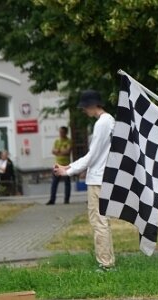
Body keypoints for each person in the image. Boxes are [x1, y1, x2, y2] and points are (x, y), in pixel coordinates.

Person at [53, 90, 115, 271]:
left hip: (98, 178)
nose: (83, 111)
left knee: (99, 222)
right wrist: (70, 168)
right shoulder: (109, 121)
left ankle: (106, 264)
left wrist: (68, 170)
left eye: (84, 107)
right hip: (104, 176)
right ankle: (107, 261)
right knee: (103, 221)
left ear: (92, 105)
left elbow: (93, 155)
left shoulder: (102, 123)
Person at [47, 126, 72, 205]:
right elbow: (53, 151)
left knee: (67, 183)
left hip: (66, 165)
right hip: (57, 165)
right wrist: (60, 151)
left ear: (65, 133)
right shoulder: (57, 141)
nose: (61, 133)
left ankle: (66, 199)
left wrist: (58, 151)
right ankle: (52, 199)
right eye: (60, 132)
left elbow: (67, 151)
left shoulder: (68, 141)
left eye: (62, 132)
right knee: (54, 183)